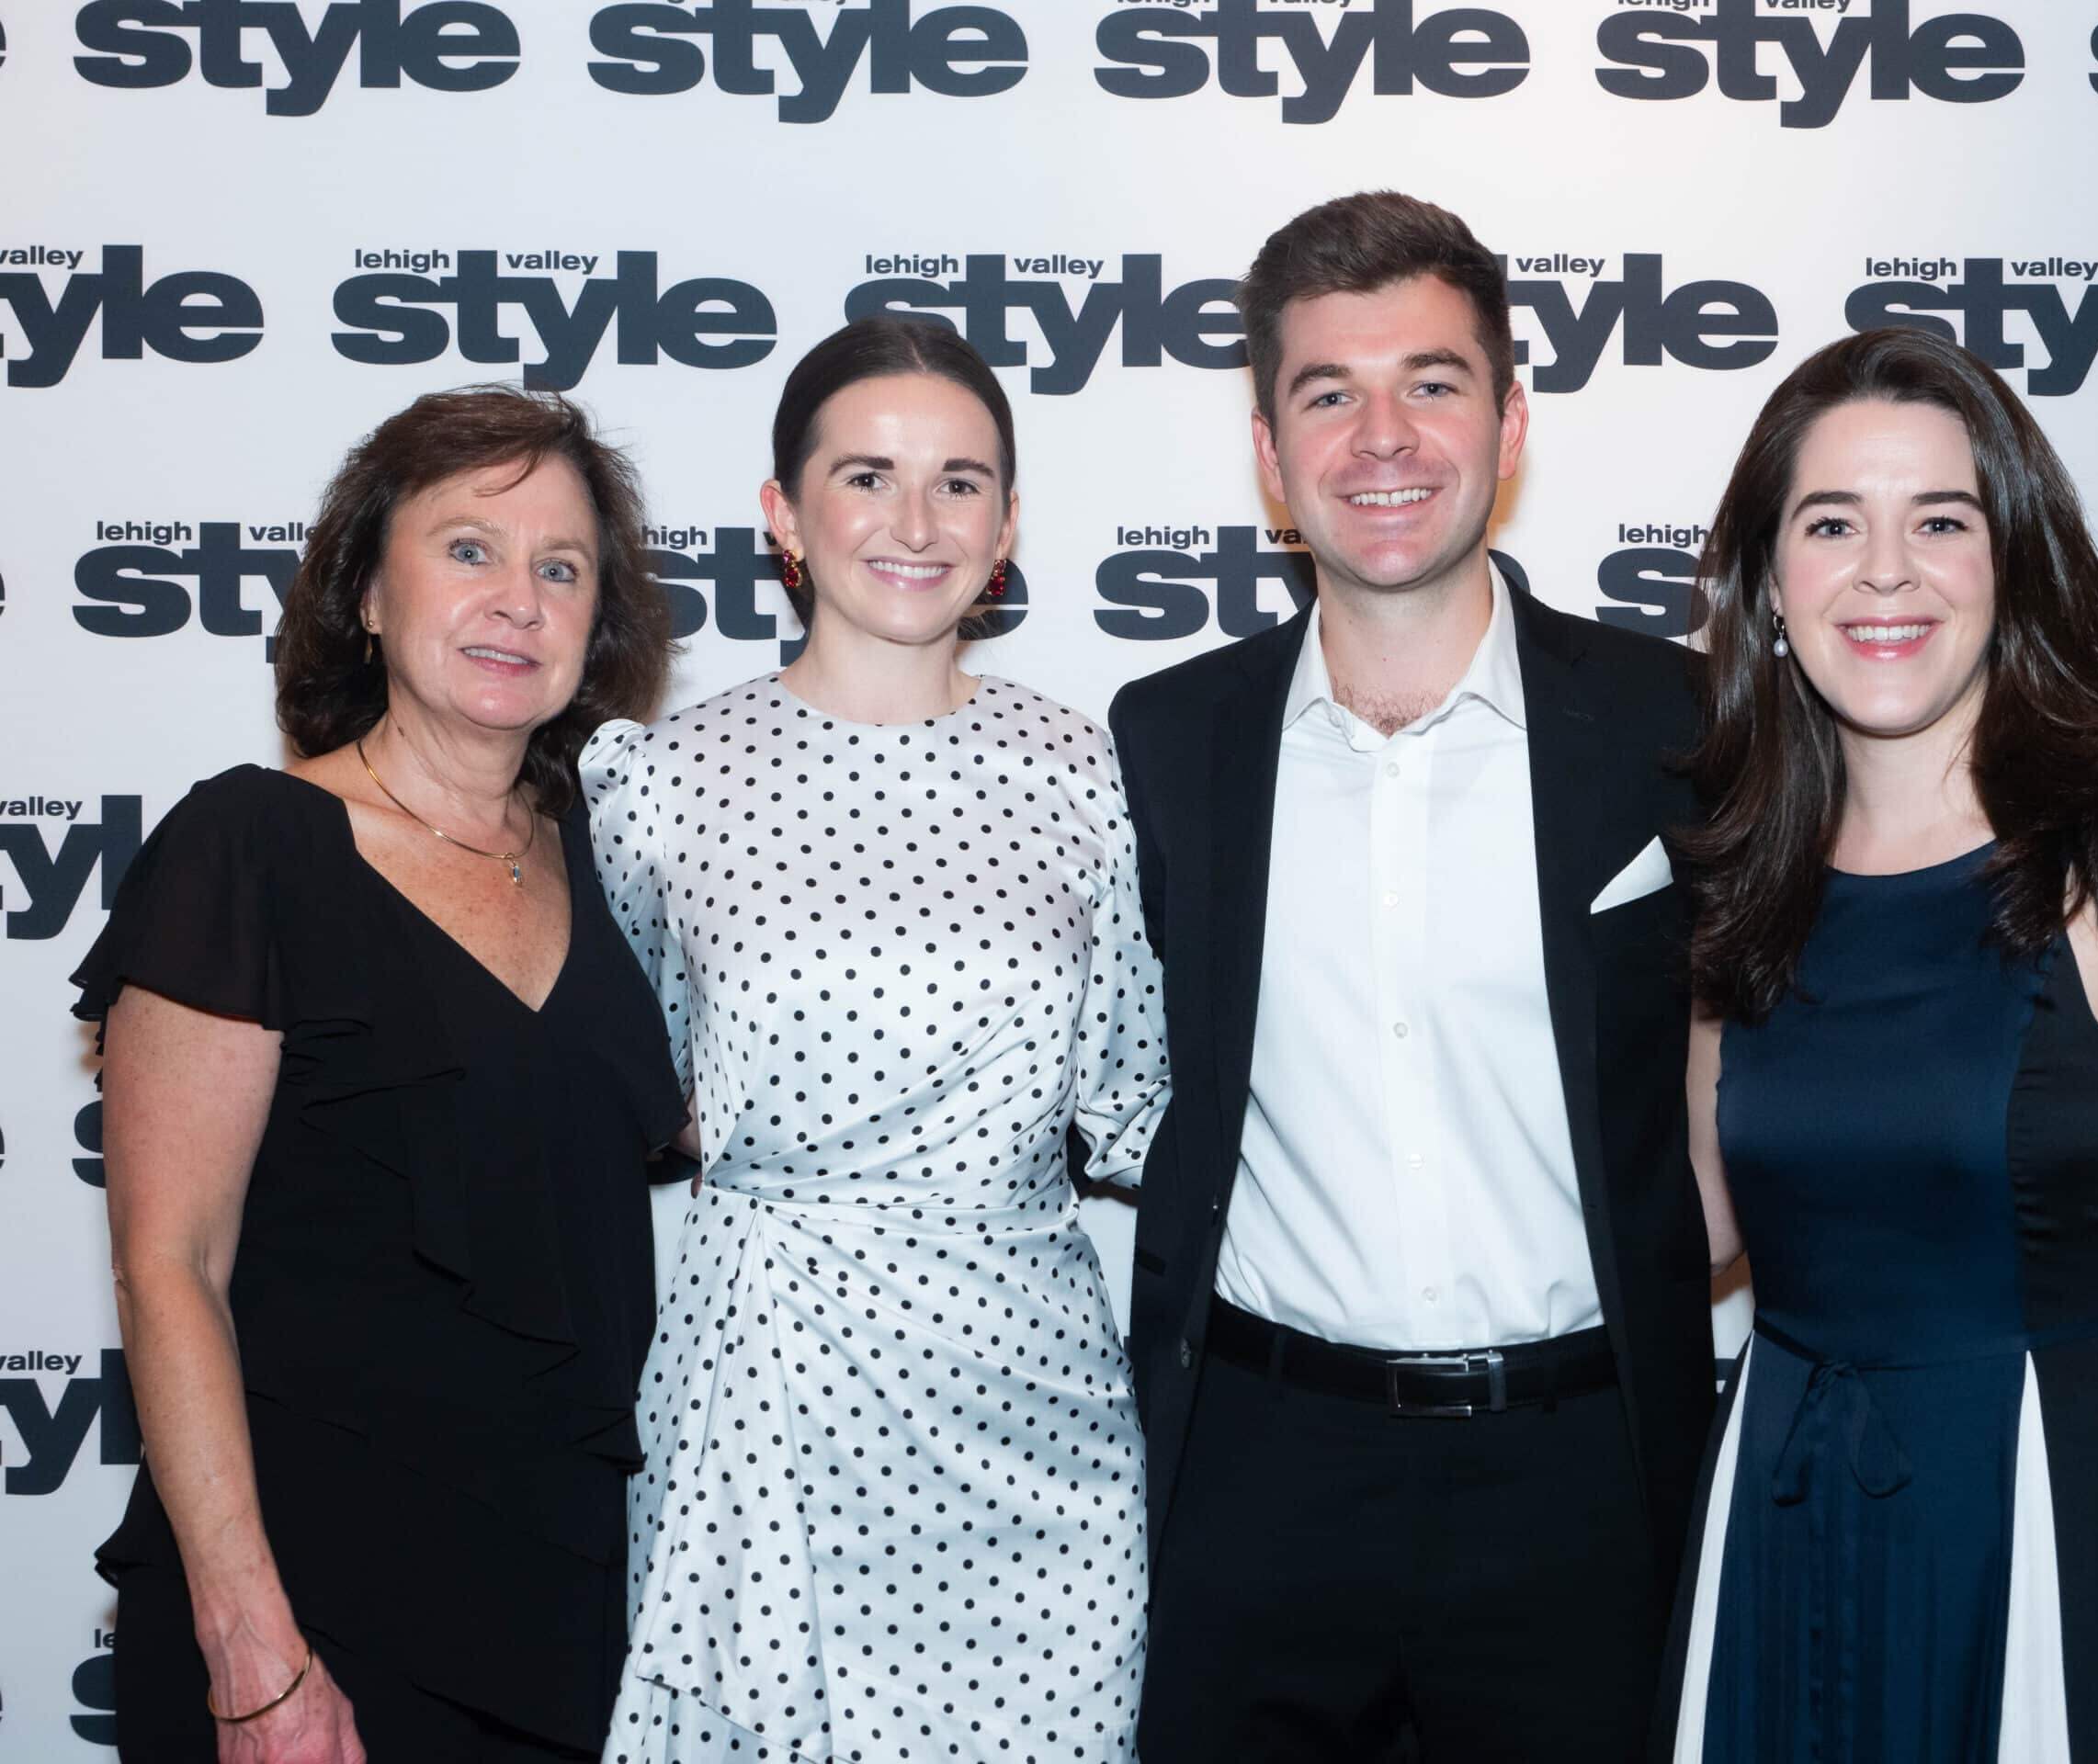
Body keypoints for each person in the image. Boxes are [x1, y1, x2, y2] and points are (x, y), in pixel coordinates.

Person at [1107, 190, 1718, 1761]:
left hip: (1583, 1477)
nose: (1384, 437)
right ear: (1268, 455)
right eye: (1330, 393)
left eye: (1432, 384)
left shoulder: (1684, 727)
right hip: (1254, 1474)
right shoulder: (1166, 743)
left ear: (1509, 423)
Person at [1660, 327, 2098, 1762]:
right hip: (1780, 1520)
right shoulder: (1742, 879)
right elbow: (1694, 1224)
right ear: (1770, 584)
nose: (1883, 571)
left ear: (2009, 562)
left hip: (2053, 1533)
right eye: (1832, 525)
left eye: (1939, 522)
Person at [584, 314, 1167, 1764]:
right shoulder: (660, 781)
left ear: (1011, 523)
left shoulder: (1083, 762)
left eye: (961, 481)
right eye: (866, 476)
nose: (916, 522)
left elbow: (1133, 1090)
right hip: (761, 1405)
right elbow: (627, 1085)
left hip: (1034, 1412)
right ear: (783, 515)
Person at [76, 386, 686, 1761]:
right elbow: (169, 1264)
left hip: (569, 1612)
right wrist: (252, 1651)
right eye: (470, 550)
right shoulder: (253, 846)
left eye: (561, 568)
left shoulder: (619, 867)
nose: (517, 599)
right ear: (365, 589)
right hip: (305, 1622)